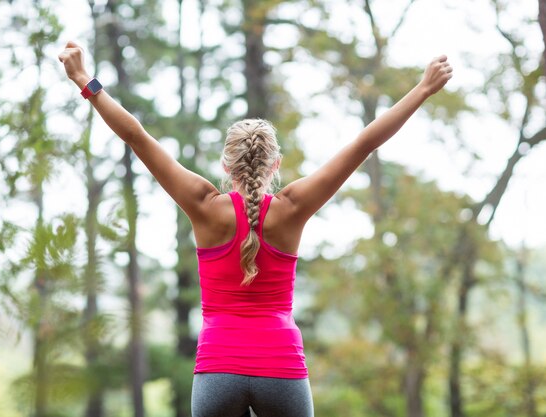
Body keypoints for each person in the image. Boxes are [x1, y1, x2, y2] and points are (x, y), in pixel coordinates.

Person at [59, 40, 453, 417]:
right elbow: (364, 143)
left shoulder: (202, 204)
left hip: (216, 370)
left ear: (226, 166)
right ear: (275, 165)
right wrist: (421, 89)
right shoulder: (293, 208)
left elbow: (136, 136)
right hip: (281, 368)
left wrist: (84, 80)